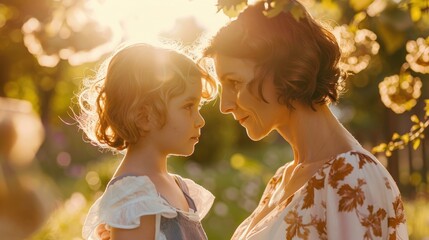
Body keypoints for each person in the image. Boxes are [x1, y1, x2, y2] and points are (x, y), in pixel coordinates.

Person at [200, 1, 408, 239]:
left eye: (234, 82)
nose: (225, 105)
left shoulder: (351, 178)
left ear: (283, 69)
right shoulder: (282, 179)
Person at [77, 43, 216, 240]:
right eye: (188, 106)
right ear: (143, 116)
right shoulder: (134, 199)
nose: (200, 120)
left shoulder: (177, 186)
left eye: (198, 106)